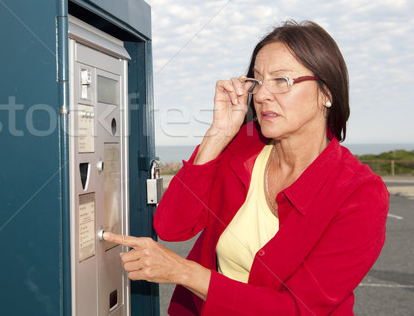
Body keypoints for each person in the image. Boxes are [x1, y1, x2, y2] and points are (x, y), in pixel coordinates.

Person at [104, 20, 389, 315]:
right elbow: (172, 226)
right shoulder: (242, 146)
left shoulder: (360, 194)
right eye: (258, 81)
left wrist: (183, 272)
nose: (263, 94)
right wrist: (218, 133)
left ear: (326, 93)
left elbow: (296, 309)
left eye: (282, 80)